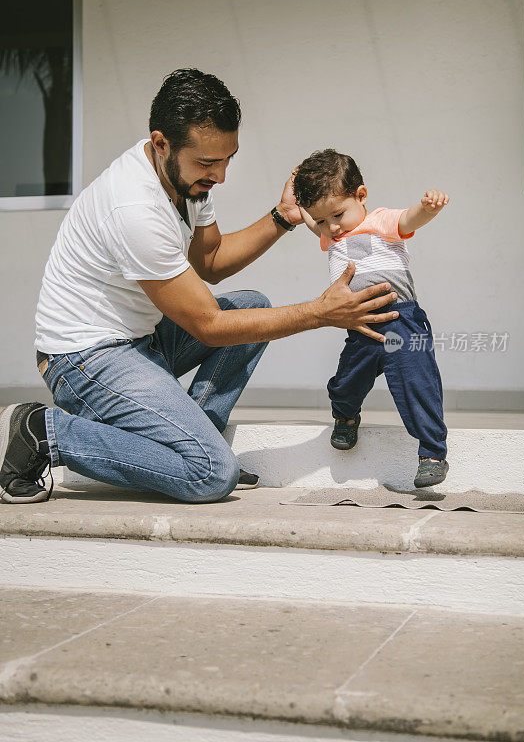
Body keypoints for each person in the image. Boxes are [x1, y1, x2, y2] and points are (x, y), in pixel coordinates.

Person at [0, 70, 399, 505]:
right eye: (208, 163)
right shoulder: (134, 208)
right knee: (211, 475)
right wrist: (319, 313)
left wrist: (283, 216)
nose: (221, 175)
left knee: (252, 306)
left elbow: (209, 262)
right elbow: (208, 325)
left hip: (141, 342)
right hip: (84, 359)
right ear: (161, 144)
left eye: (228, 158)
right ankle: (44, 433)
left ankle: (195, 438)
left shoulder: (185, 182)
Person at [293, 149, 449, 488]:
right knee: (348, 380)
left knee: (416, 382)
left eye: (337, 214)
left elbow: (408, 220)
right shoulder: (328, 234)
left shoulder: (377, 221)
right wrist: (297, 193)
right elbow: (309, 217)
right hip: (359, 324)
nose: (331, 227)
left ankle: (432, 453)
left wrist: (427, 207)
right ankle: (345, 417)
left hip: (400, 320)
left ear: (360, 196)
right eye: (321, 221)